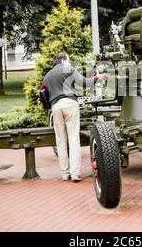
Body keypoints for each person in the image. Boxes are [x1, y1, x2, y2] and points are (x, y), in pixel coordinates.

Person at [43, 53, 106, 182]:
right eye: (68, 60)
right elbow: (84, 82)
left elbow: (43, 94)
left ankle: (65, 174)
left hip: (55, 107)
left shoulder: (47, 76)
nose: (70, 63)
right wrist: (97, 78)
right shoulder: (68, 69)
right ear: (63, 60)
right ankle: (75, 173)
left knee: (60, 142)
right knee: (73, 139)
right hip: (70, 104)